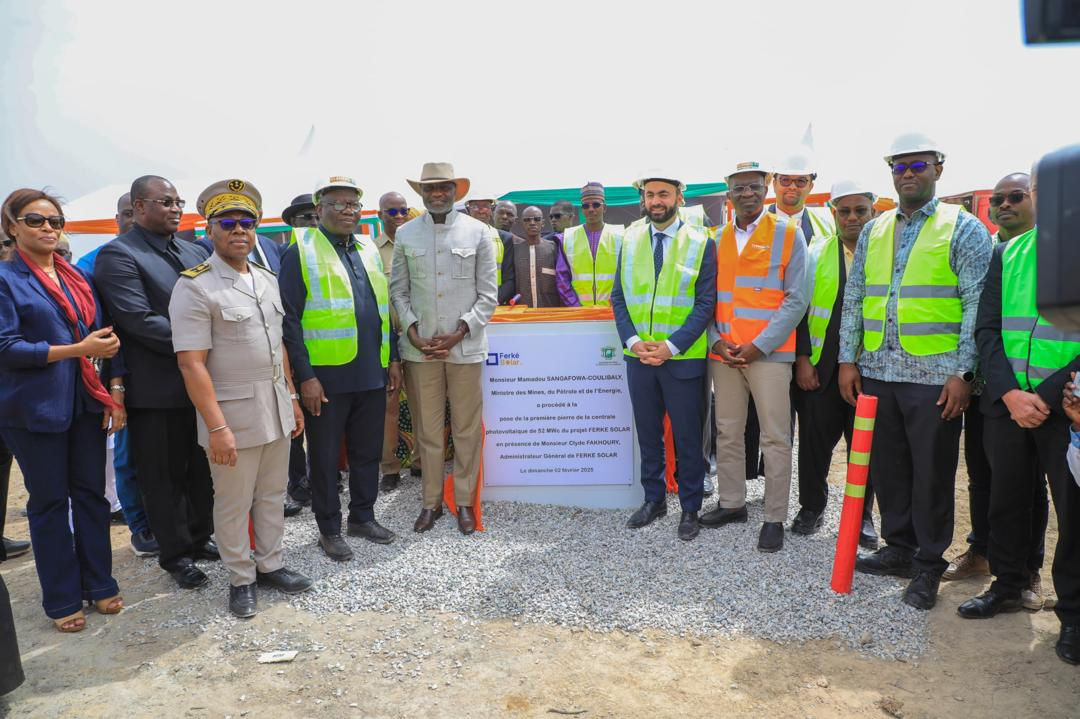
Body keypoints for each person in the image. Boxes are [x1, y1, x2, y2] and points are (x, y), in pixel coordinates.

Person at [839, 133, 993, 610]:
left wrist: (963, 375)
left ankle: (928, 564)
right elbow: (856, 296)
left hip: (935, 379)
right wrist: (848, 358)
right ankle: (899, 548)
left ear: (938, 170)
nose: (909, 173)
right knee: (889, 469)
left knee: (931, 473)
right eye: (900, 166)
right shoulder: (875, 228)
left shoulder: (962, 228)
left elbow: (976, 305)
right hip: (879, 371)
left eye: (918, 165)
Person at [170, 179, 313, 618]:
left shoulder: (267, 280)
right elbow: (192, 364)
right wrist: (216, 427)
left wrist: (290, 396)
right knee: (232, 501)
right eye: (228, 222)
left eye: (247, 222)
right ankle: (240, 577)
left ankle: (270, 563)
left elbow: (279, 346)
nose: (239, 231)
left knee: (272, 493)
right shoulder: (194, 287)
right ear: (209, 230)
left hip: (274, 406)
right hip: (231, 415)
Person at [963, 168, 1079, 661]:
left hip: (1066, 407)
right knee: (1006, 498)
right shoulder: (1009, 252)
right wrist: (1011, 394)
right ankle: (1008, 583)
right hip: (1007, 404)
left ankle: (1072, 616)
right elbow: (987, 329)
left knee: (1072, 515)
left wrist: (1045, 396)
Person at [0, 188, 127, 631]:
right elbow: (6, 347)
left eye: (55, 221)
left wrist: (113, 388)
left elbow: (105, 338)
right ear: (11, 226)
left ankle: (99, 582)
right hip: (34, 410)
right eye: (36, 220)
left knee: (91, 495)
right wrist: (78, 348)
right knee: (50, 503)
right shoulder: (6, 279)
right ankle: (61, 598)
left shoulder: (75, 276)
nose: (49, 228)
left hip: (86, 402)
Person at [94, 175, 220, 589]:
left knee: (200, 469)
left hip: (202, 381)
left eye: (178, 201)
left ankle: (201, 538)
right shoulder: (119, 255)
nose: (175, 208)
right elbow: (138, 320)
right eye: (165, 201)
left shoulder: (191, 248)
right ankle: (176, 554)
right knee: (163, 477)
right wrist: (205, 340)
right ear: (139, 206)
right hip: (157, 387)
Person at [280, 176, 402, 561]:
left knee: (367, 451)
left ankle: (362, 517)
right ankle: (329, 528)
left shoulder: (367, 246)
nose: (348, 210)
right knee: (326, 456)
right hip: (326, 377)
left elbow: (383, 310)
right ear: (320, 210)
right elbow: (291, 321)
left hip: (370, 368)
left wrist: (393, 358)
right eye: (338, 204)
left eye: (353, 204)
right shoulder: (300, 249)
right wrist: (306, 378)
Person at [945, 173, 1048, 611]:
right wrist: (986, 385)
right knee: (988, 479)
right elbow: (984, 327)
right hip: (991, 392)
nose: (1005, 205)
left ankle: (1029, 572)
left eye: (1016, 197)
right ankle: (986, 553)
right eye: (998, 199)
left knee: (1032, 488)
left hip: (1046, 396)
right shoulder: (996, 252)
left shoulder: (1056, 254)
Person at [700, 161, 808, 552]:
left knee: (775, 437)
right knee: (727, 430)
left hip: (769, 354)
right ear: (728, 192)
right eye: (738, 188)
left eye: (752, 187)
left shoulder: (789, 234)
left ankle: (774, 516)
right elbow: (708, 299)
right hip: (725, 354)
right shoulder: (716, 238)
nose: (746, 194)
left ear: (766, 188)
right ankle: (731, 503)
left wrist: (759, 345)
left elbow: (796, 299)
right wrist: (715, 341)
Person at [391, 162, 497, 534]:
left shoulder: (479, 232)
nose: (437, 194)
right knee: (429, 431)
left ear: (456, 191)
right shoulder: (405, 234)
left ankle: (466, 501)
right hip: (420, 350)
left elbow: (488, 296)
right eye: (430, 188)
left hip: (464, 348)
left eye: (444, 188)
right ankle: (431, 502)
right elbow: (398, 291)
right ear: (422, 192)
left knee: (467, 429)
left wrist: (460, 332)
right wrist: (413, 330)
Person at [612, 171, 716, 542]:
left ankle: (690, 507)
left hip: (683, 358)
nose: (656, 201)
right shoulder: (629, 237)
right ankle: (654, 500)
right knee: (649, 434)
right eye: (650, 194)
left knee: (688, 437)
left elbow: (706, 303)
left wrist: (672, 346)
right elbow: (619, 297)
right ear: (643, 199)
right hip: (638, 355)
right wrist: (633, 339)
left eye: (664, 194)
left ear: (679, 198)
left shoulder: (701, 241)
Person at [792, 180, 878, 547]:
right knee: (813, 444)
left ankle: (862, 516)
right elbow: (797, 309)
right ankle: (812, 506)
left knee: (866, 447)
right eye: (845, 211)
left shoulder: (887, 254)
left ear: (874, 212)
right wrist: (801, 359)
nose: (853, 218)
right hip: (820, 369)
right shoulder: (814, 254)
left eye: (861, 210)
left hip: (870, 368)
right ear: (833, 213)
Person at [77, 193, 159, 556]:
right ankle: (140, 527)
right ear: (117, 219)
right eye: (127, 213)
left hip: (159, 366)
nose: (133, 219)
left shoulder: (161, 254)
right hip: (115, 371)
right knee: (126, 455)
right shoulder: (91, 263)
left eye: (138, 212)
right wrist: (114, 383)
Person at [280, 193, 318, 510]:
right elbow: (288, 314)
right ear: (293, 223)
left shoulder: (332, 256)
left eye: (317, 216)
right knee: (293, 425)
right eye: (306, 218)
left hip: (325, 357)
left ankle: (321, 477)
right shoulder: (288, 255)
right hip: (290, 356)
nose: (313, 224)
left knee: (321, 424)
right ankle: (298, 482)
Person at [375, 191, 412, 492]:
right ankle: (389, 467)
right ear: (380, 215)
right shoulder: (371, 252)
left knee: (424, 403)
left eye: (403, 211)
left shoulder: (419, 245)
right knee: (389, 404)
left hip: (420, 336)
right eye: (392, 212)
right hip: (389, 339)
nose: (399, 217)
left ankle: (423, 462)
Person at [557, 182, 623, 307]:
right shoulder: (568, 237)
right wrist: (575, 306)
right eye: (586, 206)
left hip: (612, 312)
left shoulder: (620, 235)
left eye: (596, 205)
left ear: (604, 207)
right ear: (582, 209)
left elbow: (626, 275)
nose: (591, 209)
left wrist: (618, 304)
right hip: (579, 313)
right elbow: (562, 278)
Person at [768, 151, 836, 244]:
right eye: (785, 180)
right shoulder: (755, 222)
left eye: (801, 181)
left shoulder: (827, 223)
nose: (792, 187)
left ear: (810, 187)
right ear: (774, 184)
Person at [466, 192, 516, 304]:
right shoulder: (456, 237)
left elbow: (509, 279)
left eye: (486, 206)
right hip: (464, 306)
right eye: (475, 206)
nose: (481, 210)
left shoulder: (504, 239)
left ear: (491, 209)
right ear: (467, 210)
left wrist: (490, 303)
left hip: (494, 304)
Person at [512, 206, 562, 307]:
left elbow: (562, 280)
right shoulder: (515, 250)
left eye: (536, 219)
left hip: (550, 313)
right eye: (527, 220)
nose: (532, 223)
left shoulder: (554, 248)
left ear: (543, 223)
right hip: (522, 313)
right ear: (522, 224)